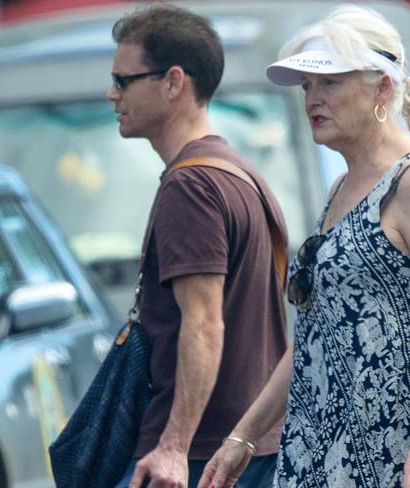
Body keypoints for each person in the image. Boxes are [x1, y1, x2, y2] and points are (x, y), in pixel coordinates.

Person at [199, 4, 410, 488]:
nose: (312, 98)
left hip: (402, 455)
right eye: (307, 86)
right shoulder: (340, 188)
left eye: (329, 83)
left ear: (382, 87)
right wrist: (243, 437)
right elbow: (317, 334)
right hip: (326, 450)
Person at [105, 4, 289, 487]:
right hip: (246, 447)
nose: (112, 94)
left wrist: (172, 447)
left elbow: (205, 322)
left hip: (196, 457)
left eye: (123, 80)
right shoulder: (240, 173)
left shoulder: (191, 186)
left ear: (173, 82)